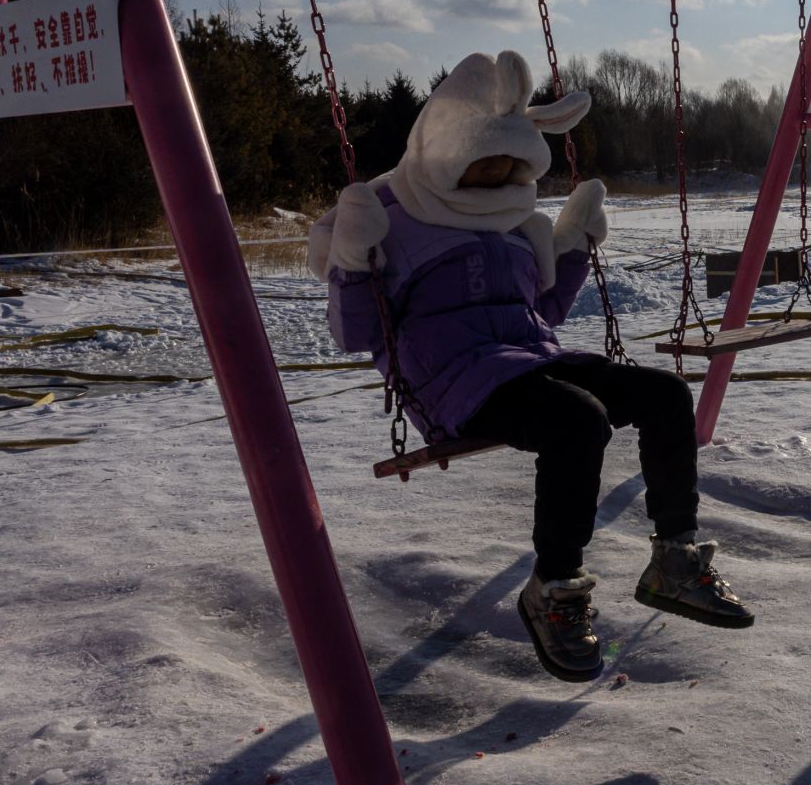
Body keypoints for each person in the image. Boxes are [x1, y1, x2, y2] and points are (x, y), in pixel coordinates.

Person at [311, 50, 752, 683]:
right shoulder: (397, 222)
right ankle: (553, 589)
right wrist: (352, 257)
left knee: (663, 395)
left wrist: (573, 247)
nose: (496, 184)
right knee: (579, 421)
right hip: (453, 383)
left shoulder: (514, 225)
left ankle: (675, 558)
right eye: (483, 170)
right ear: (447, 156)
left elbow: (541, 310)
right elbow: (355, 333)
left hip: (530, 358)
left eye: (509, 173)